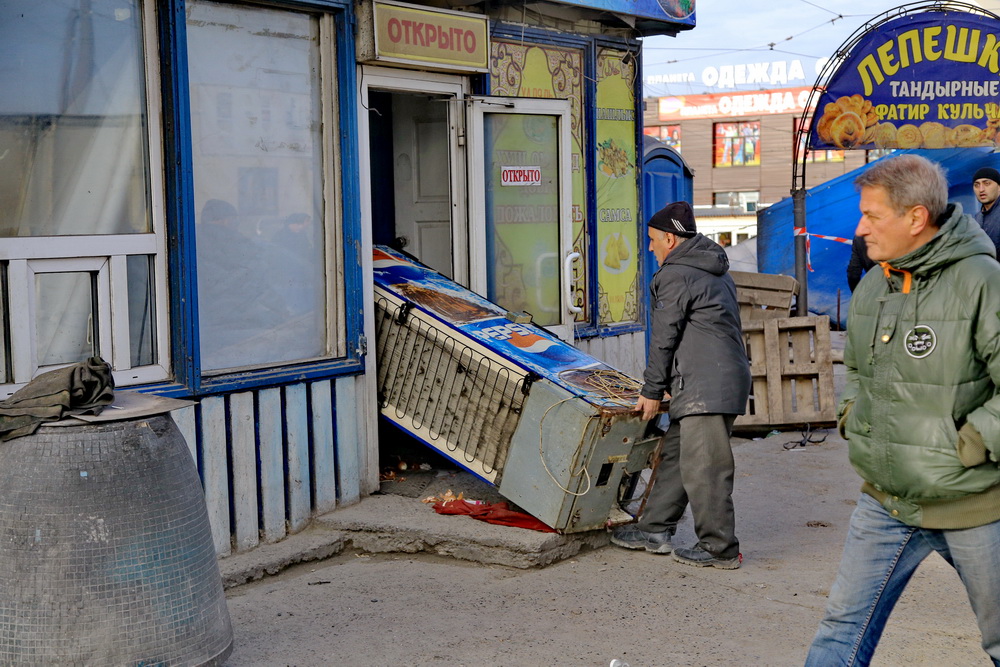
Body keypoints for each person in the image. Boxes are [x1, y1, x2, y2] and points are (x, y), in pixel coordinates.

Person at [805, 154, 1000, 665]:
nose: (860, 227)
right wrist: (856, 415)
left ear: (916, 218)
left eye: (872, 214)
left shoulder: (982, 280)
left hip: (972, 502)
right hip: (884, 501)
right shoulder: (874, 285)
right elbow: (862, 373)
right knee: (840, 632)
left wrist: (973, 440)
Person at [610, 201, 751, 570]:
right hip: (708, 378)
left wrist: (652, 390)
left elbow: (664, 336)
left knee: (705, 467)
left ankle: (719, 547)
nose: (651, 247)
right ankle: (654, 528)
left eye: (654, 240)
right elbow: (700, 331)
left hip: (707, 385)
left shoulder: (676, 274)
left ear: (670, 239)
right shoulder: (709, 268)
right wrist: (674, 382)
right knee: (676, 456)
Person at [973, 165, 1000, 257]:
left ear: (999, 187)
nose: (981, 189)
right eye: (977, 185)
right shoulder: (977, 218)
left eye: (987, 183)